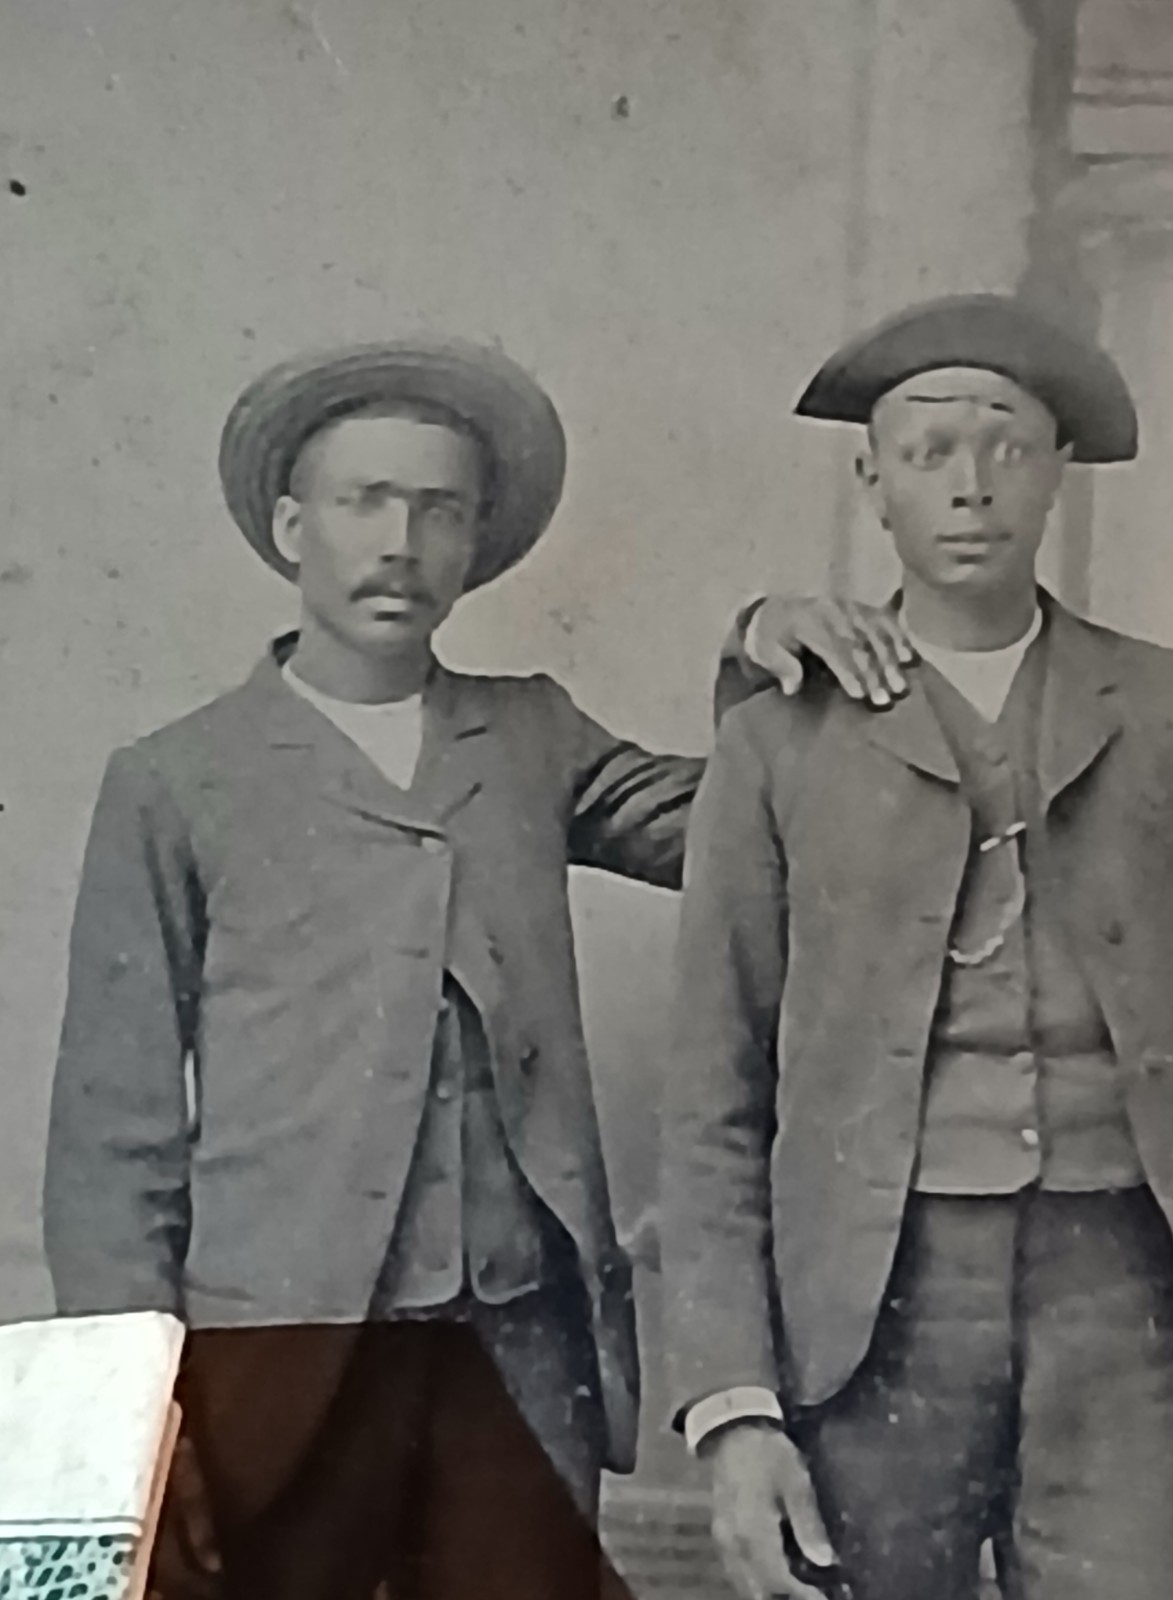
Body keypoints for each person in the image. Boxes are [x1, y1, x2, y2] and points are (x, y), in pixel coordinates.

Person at [42, 338, 909, 1600]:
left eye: (438, 509)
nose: (400, 542)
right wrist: (130, 1413)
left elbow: (733, 834)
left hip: (520, 1339)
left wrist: (757, 648)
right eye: (365, 501)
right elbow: (110, 1143)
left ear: (473, 542)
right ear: (292, 528)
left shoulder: (530, 730)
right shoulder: (178, 781)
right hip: (276, 1352)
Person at [662, 293, 1173, 1600]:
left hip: (1128, 1297)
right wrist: (733, 1404)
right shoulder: (778, 740)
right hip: (873, 1308)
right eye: (928, 451)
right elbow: (713, 1098)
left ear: (1058, 471)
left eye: (1007, 446)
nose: (971, 486)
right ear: (873, 482)